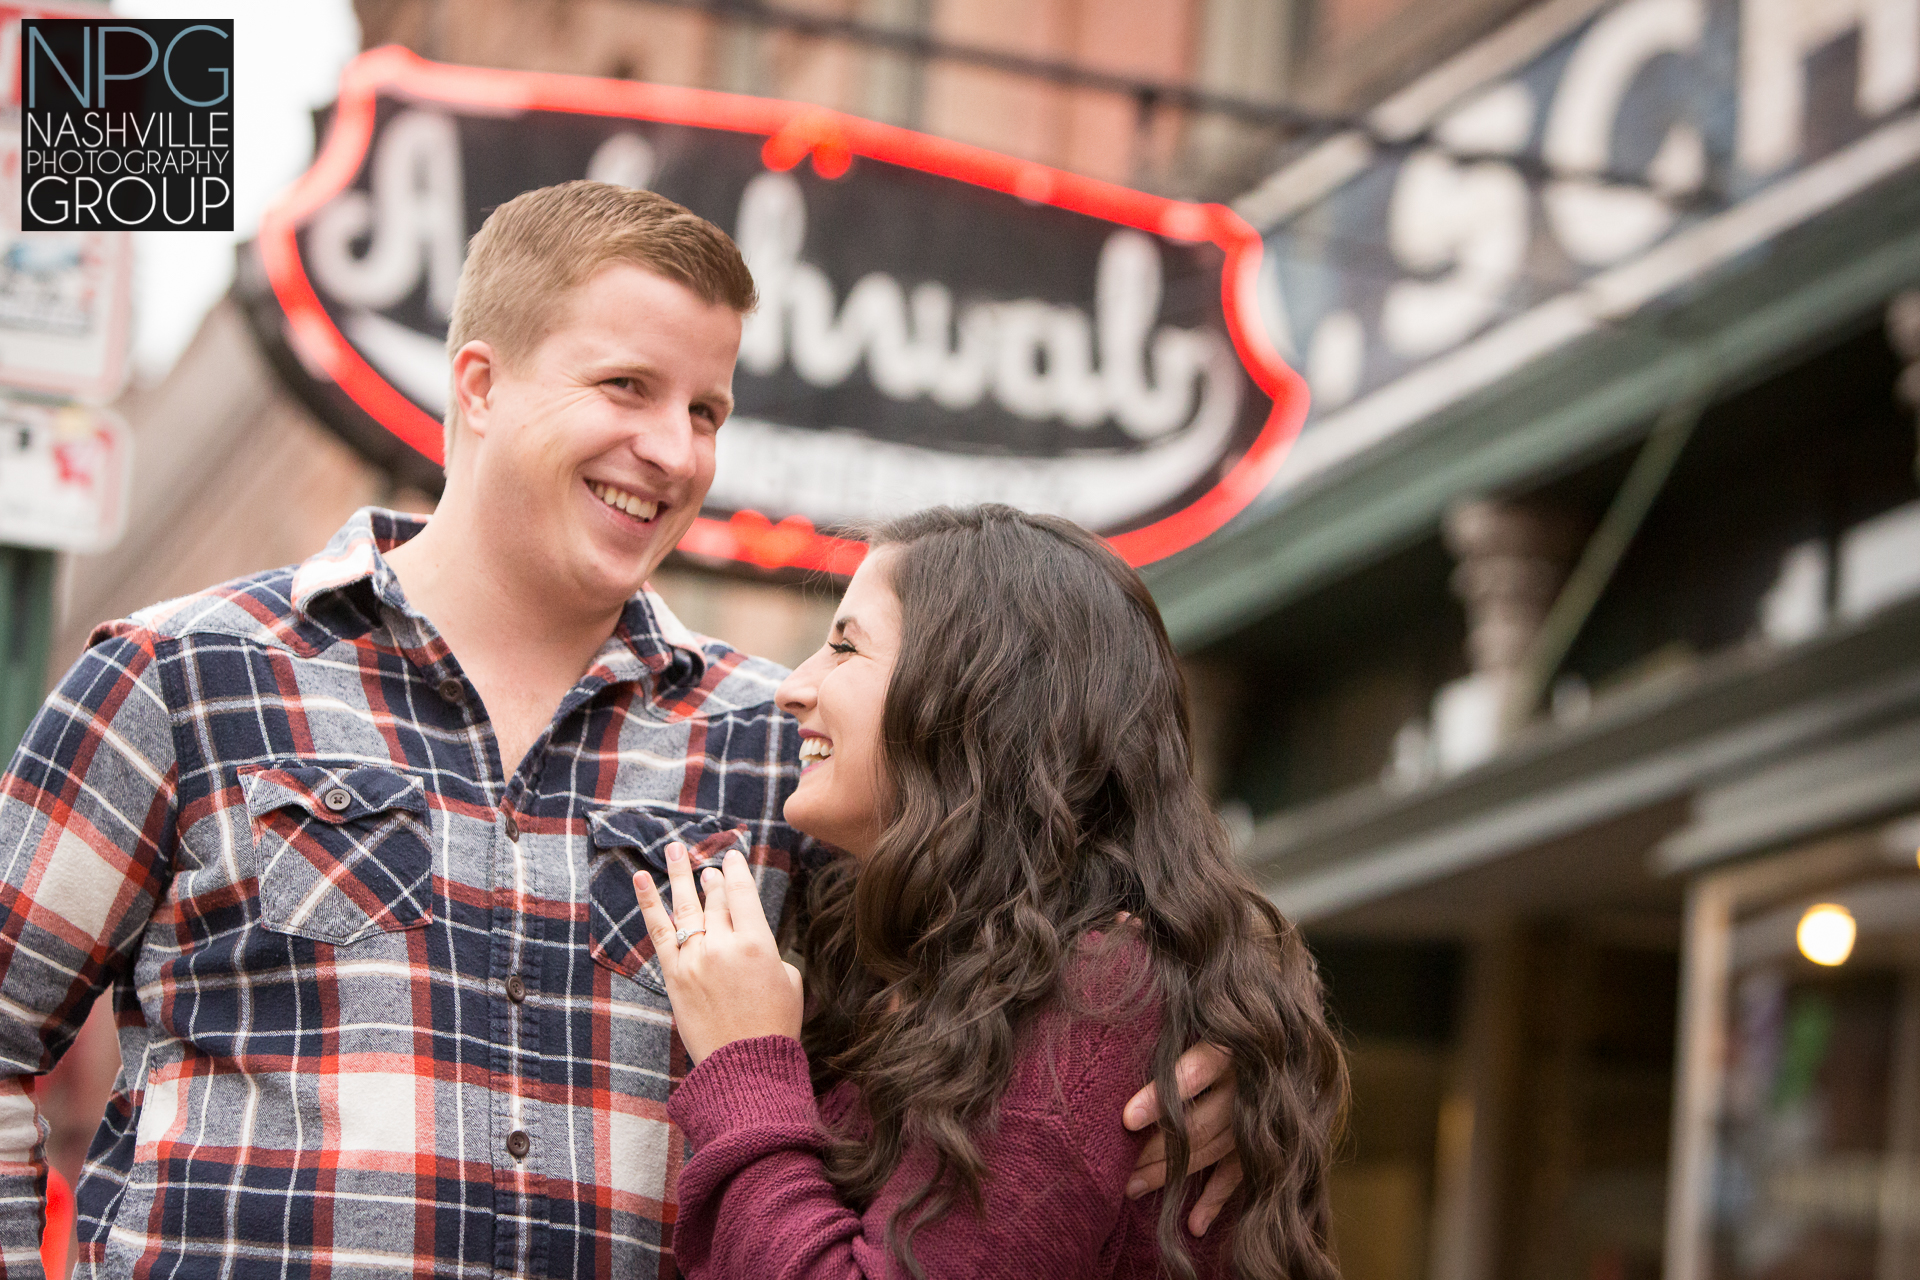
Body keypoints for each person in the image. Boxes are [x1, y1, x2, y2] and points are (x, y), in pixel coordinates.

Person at [0, 183, 1240, 1279]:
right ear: (480, 385)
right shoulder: (185, 674)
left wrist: (1196, 1054)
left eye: (706, 409)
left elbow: (1007, 968)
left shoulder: (781, 748)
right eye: (626, 387)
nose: (671, 449)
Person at [636, 505, 1348, 1280]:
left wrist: (746, 1064)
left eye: (844, 647)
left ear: (976, 699)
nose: (794, 688)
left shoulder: (1100, 992)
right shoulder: (926, 969)